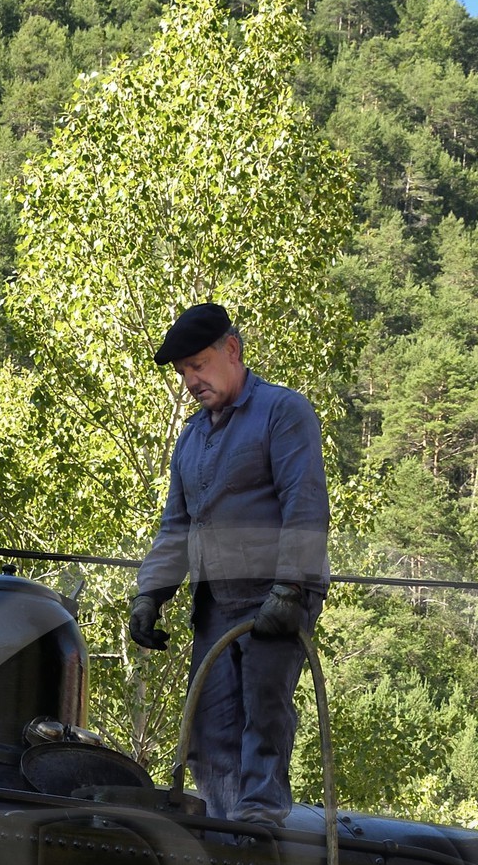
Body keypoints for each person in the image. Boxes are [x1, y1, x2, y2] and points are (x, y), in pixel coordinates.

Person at [130, 302, 329, 824]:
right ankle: (226, 831)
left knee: (263, 718)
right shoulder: (192, 438)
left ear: (232, 350)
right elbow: (176, 525)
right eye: (183, 373)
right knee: (209, 732)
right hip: (216, 605)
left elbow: (304, 505)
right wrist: (149, 593)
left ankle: (260, 823)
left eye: (198, 365)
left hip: (275, 599)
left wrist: (290, 590)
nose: (190, 380)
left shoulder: (283, 412)